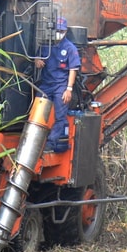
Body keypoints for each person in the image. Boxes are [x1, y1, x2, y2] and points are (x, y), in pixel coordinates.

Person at [34, 16, 81, 152]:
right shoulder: (46, 45)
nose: (58, 33)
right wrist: (37, 61)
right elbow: (37, 58)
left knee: (60, 115)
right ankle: (36, 140)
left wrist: (69, 89)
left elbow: (73, 69)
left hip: (61, 85)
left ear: (65, 31)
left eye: (61, 31)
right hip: (46, 84)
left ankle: (51, 143)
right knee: (38, 110)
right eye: (56, 30)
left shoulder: (70, 48)